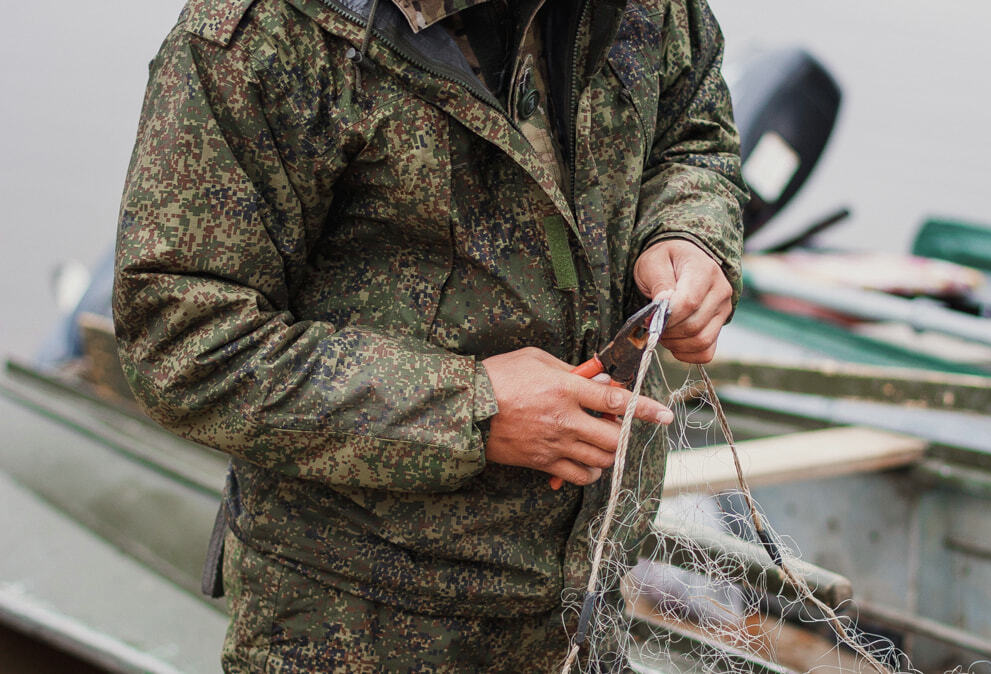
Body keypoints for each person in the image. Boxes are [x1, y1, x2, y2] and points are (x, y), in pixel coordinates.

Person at [113, 0, 746, 669]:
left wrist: (687, 232)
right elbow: (182, 339)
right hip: (355, 626)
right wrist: (471, 409)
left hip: (583, 603)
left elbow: (690, 134)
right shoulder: (265, 34)